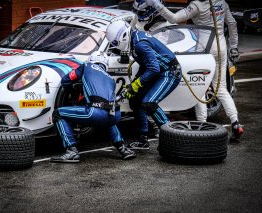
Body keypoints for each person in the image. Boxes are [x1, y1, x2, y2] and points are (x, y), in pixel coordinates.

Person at [146, 0, 243, 141]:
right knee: (221, 88)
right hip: (221, 48)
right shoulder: (222, 2)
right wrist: (233, 46)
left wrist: (156, 4)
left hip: (205, 49)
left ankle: (202, 125)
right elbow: (232, 23)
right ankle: (236, 123)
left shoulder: (198, 5)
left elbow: (173, 19)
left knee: (199, 89)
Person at [106, 20, 182, 150]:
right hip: (158, 72)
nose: (116, 48)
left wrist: (136, 84)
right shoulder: (134, 40)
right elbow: (146, 65)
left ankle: (173, 138)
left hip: (169, 73)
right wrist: (134, 84)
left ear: (123, 37)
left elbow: (153, 68)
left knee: (149, 103)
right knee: (135, 100)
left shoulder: (140, 44)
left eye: (115, 44)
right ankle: (142, 139)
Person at [50, 51, 136, 163]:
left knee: (58, 113)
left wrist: (74, 90)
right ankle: (123, 149)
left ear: (91, 59)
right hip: (115, 115)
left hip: (95, 113)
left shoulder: (86, 66)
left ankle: (71, 151)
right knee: (109, 115)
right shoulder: (110, 78)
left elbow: (65, 81)